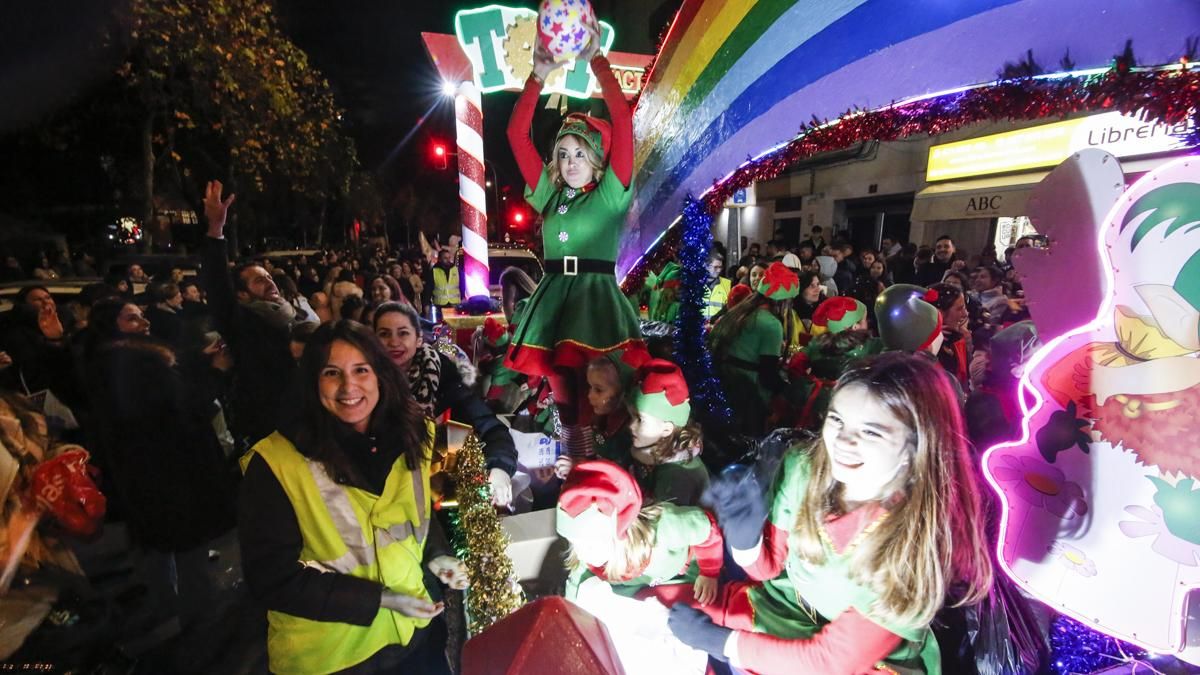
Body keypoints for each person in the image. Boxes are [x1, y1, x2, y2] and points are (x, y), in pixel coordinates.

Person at [668, 353, 992, 673]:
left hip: (861, 662)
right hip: (789, 612)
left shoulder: (918, 539)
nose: (842, 441)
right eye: (836, 420)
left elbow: (829, 661)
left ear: (916, 445)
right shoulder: (803, 468)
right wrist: (745, 538)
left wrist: (722, 643)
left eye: (871, 432)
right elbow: (766, 569)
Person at [239, 321, 465, 674]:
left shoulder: (415, 435)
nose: (349, 386)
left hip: (412, 636)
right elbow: (272, 579)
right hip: (331, 658)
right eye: (332, 373)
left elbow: (414, 515)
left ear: (381, 376)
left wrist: (436, 555)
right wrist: (383, 600)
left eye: (361, 369)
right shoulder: (275, 464)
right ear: (312, 381)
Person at [503, 16, 648, 462]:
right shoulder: (550, 196)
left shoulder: (609, 194)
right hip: (557, 297)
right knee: (566, 394)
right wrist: (538, 74)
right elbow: (515, 135)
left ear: (598, 158)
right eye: (563, 153)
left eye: (580, 153)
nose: (569, 161)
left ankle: (613, 465)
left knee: (604, 391)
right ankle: (576, 464)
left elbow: (622, 120)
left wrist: (596, 60)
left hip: (596, 299)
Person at [373, 302, 516, 506]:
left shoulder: (446, 382)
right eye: (384, 334)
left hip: (442, 501)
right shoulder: (363, 388)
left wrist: (500, 468)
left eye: (403, 333)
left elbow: (492, 430)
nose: (394, 342)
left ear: (419, 339)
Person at [557, 460, 722, 605]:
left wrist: (709, 572)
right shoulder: (591, 554)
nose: (581, 553)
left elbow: (706, 528)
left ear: (619, 529)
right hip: (636, 590)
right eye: (575, 542)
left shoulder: (664, 526)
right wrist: (571, 613)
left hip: (681, 574)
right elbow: (576, 582)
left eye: (588, 543)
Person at [708, 262, 796, 435]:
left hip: (721, 384)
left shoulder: (738, 312)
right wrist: (788, 390)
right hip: (746, 395)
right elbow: (767, 374)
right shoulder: (771, 324)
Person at [626, 359, 709, 507]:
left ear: (667, 429)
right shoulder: (652, 450)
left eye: (639, 419)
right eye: (631, 416)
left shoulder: (676, 475)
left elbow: (660, 523)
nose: (631, 425)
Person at [927, 283, 972, 391]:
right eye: (959, 309)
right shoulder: (919, 346)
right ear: (939, 313)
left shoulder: (958, 339)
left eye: (964, 307)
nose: (965, 314)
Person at [702, 249, 731, 319]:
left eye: (720, 267)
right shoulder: (695, 284)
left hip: (718, 328)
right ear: (706, 266)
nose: (719, 270)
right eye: (715, 267)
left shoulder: (727, 284)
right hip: (698, 329)